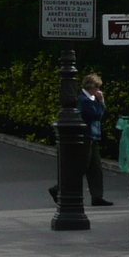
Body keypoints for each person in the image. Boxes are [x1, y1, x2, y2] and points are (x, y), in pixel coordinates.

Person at [51, 73, 112, 206]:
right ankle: (59, 188)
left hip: (92, 136)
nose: (99, 90)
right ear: (92, 86)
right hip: (85, 136)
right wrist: (101, 102)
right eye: (97, 87)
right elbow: (96, 115)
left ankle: (97, 196)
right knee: (81, 167)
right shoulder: (84, 100)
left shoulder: (89, 98)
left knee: (95, 168)